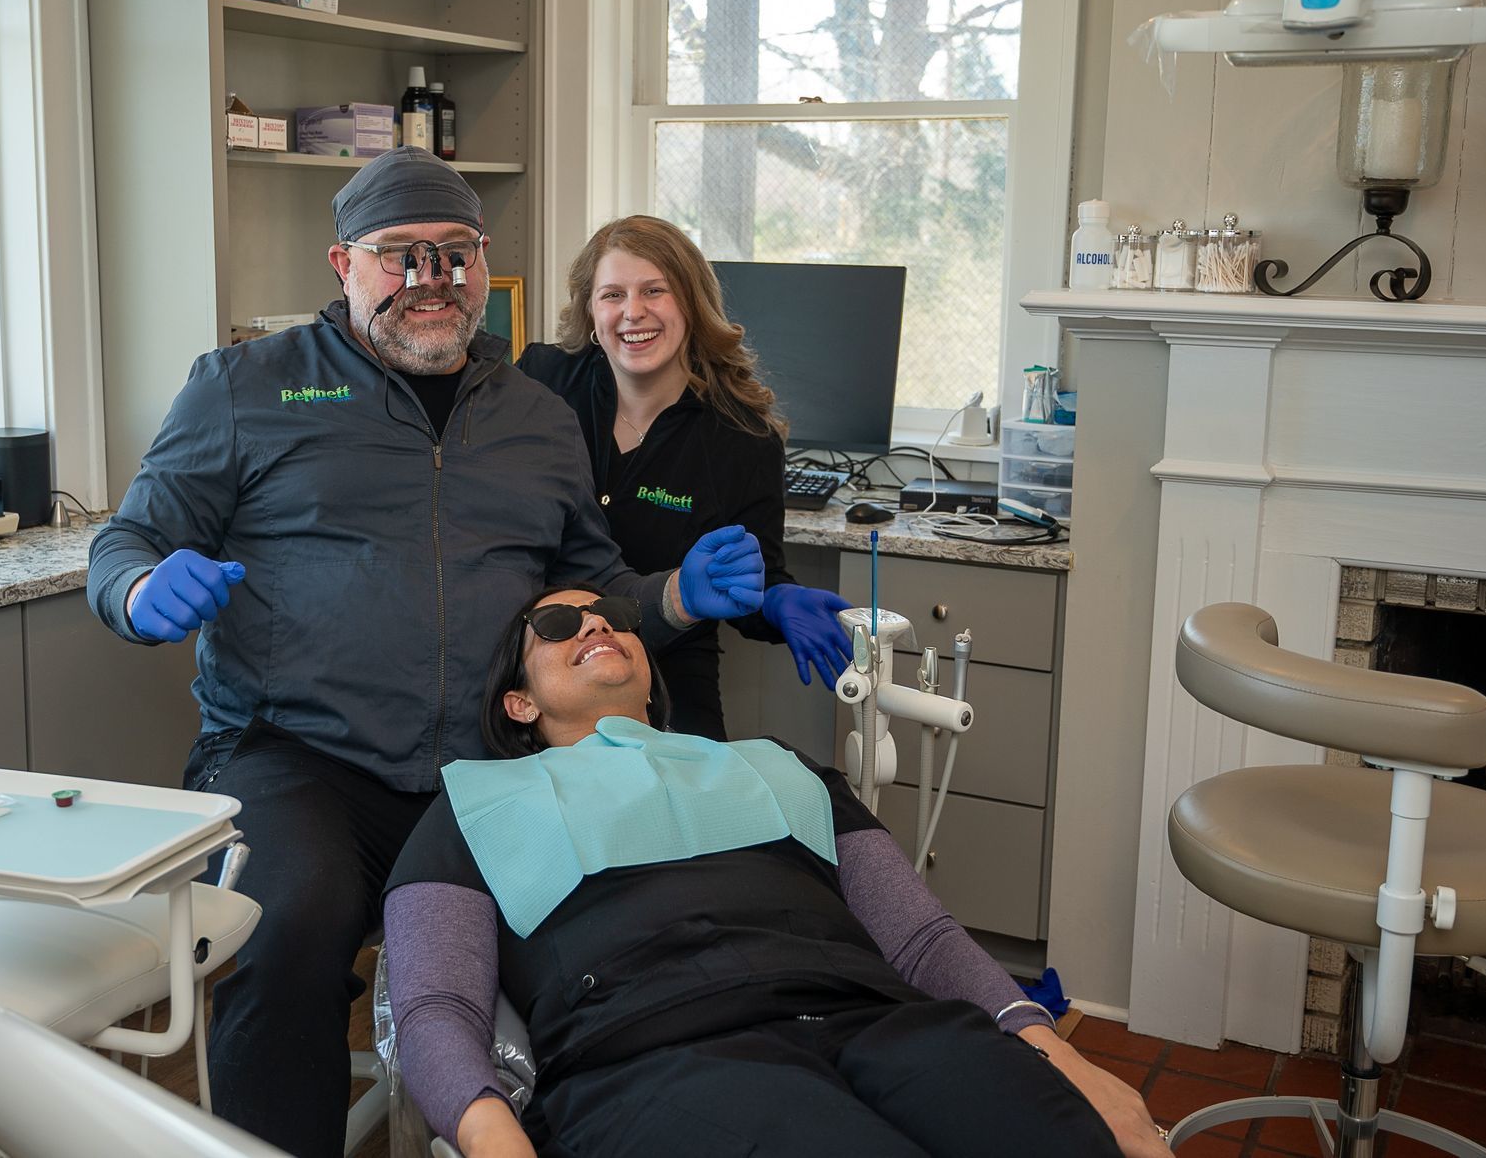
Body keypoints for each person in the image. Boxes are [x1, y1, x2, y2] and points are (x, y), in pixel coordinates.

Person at [86, 148, 768, 1158]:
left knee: (617, 935)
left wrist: (669, 598)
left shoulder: (536, 416)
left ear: (484, 264)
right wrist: (143, 590)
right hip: (299, 758)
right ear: (342, 264)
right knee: (287, 934)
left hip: (491, 767)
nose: (429, 280)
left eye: (453, 255)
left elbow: (592, 584)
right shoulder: (245, 388)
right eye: (399, 256)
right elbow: (124, 541)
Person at [383, 585, 1173, 1158]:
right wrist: (495, 1141)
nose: (596, 623)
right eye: (557, 624)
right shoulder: (473, 804)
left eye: (616, 617)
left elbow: (924, 941)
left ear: (652, 675)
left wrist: (1068, 1060)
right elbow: (437, 1006)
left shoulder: (778, 766)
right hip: (660, 1055)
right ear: (520, 705)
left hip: (880, 1023)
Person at [516, 216, 851, 739]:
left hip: (667, 666)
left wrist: (775, 599)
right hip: (539, 661)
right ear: (589, 309)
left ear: (692, 302)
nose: (633, 312)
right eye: (612, 295)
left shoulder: (743, 436)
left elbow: (746, 577)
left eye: (655, 291)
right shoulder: (540, 382)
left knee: (696, 805)